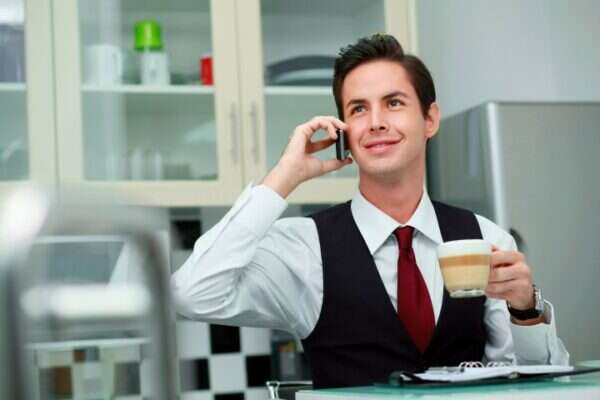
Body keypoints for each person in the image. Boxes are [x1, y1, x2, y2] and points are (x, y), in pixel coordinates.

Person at [171, 34, 569, 388]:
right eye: (358, 109)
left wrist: (526, 311)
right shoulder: (305, 248)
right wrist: (283, 177)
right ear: (344, 129)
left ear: (430, 119)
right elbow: (192, 294)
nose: (376, 123)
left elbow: (534, 385)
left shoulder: (485, 238)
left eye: (393, 103)